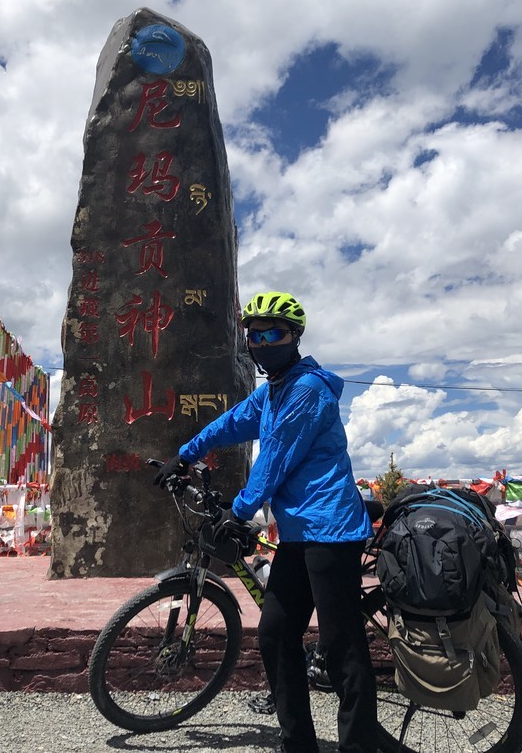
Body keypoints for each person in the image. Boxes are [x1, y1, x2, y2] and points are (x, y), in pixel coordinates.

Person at [154, 291, 377, 753]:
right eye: (252, 334)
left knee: (341, 649)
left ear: (295, 336)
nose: (260, 341)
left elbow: (276, 458)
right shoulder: (273, 392)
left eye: (272, 332)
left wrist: (239, 512)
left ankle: (358, 746)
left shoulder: (307, 390)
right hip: (298, 534)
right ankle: (298, 743)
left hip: (332, 532)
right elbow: (231, 423)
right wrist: (184, 455)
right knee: (275, 635)